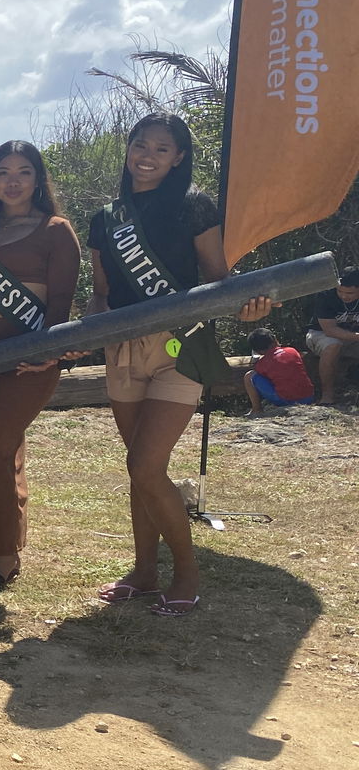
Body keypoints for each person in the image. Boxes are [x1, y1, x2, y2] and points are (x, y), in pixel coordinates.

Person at [82, 112, 271, 617]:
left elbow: (218, 279)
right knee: (140, 470)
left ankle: (186, 572)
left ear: (179, 157)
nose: (147, 155)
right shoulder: (106, 218)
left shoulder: (194, 207)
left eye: (161, 149)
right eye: (140, 144)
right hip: (122, 350)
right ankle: (144, 572)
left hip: (180, 349)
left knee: (146, 464)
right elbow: (101, 295)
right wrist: (86, 329)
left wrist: (248, 304)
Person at [0, 141, 82, 588]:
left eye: (24, 172)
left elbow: (60, 299)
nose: (13, 181)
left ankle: (0, 554)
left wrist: (49, 353)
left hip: (28, 359)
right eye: (3, 172)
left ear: (38, 179)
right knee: (5, 449)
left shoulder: (56, 229)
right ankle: (9, 544)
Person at [306, 267, 359, 404]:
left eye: (350, 293)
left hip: (353, 338)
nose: (344, 296)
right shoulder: (326, 295)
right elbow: (330, 330)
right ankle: (327, 396)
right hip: (321, 334)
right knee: (332, 344)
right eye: (340, 291)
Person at [244, 328, 314, 414]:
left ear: (258, 351)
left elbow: (260, 375)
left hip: (286, 401)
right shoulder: (292, 350)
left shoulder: (262, 363)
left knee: (249, 376)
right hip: (308, 397)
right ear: (274, 339)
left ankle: (256, 409)